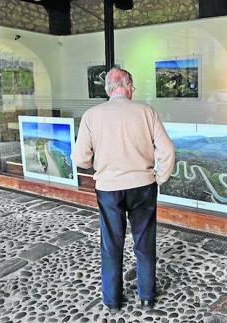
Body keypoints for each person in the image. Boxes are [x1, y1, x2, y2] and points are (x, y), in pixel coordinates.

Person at [71, 68, 175, 311]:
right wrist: (159, 177)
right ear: (129, 86)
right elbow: (167, 151)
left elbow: (80, 159)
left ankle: (112, 300)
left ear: (108, 88)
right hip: (143, 187)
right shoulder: (146, 111)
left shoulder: (92, 115)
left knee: (111, 244)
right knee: (145, 242)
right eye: (133, 87)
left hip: (108, 189)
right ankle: (147, 297)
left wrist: (96, 165)